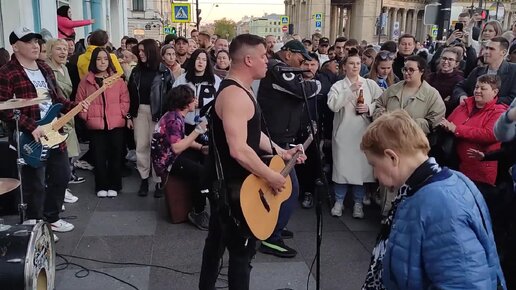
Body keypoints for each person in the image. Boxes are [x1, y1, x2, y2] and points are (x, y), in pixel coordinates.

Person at [199, 33, 305, 290]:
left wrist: (281, 151)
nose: (267, 60)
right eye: (262, 55)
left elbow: (253, 136)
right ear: (248, 60)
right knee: (240, 253)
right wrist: (271, 176)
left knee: (217, 245)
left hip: (234, 186)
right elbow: (238, 149)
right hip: (233, 190)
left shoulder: (243, 89)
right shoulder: (235, 95)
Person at [361, 110, 506, 290]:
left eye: (374, 165)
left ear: (392, 157)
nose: (375, 174)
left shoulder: (439, 203)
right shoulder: (434, 186)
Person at [0, 27, 90, 240]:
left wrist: (75, 106)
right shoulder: (7, 72)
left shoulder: (44, 68)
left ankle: (51, 217)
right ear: (15, 46)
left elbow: (56, 99)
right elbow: (4, 108)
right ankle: (35, 223)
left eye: (36, 41)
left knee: (62, 175)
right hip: (29, 135)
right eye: (28, 41)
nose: (35, 45)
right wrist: (32, 126)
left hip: (53, 132)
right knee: (36, 183)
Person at [257, 40, 320, 258]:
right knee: (289, 189)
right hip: (273, 140)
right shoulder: (277, 68)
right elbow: (304, 90)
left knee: (283, 189)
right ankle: (271, 238)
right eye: (301, 59)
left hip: (282, 139)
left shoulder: (283, 70)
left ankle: (274, 226)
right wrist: (316, 82)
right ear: (289, 54)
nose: (304, 64)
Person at [373, 55, 446, 215]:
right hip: (390, 144)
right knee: (389, 182)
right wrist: (384, 117)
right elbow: (378, 106)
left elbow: (435, 121)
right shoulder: (394, 89)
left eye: (411, 70)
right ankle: (386, 215)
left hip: (413, 148)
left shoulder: (431, 95)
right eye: (405, 69)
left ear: (421, 71)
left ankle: (404, 217)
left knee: (408, 182)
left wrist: (408, 123)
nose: (407, 73)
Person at [327, 48, 383, 218]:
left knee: (360, 171)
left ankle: (358, 203)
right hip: (344, 134)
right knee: (342, 169)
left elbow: (381, 102)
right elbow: (333, 105)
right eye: (351, 63)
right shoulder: (338, 86)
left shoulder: (370, 84)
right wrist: (349, 90)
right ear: (344, 66)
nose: (355, 66)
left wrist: (369, 108)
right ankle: (339, 201)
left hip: (362, 134)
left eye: (358, 63)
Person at [441, 74, 507, 214]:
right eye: (477, 87)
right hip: (454, 165)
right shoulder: (464, 105)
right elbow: (449, 122)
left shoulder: (499, 112)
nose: (477, 91)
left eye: (483, 88)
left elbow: (490, 134)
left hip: (478, 171)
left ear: (495, 92)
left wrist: (457, 129)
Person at [152, 85, 209, 229]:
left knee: (198, 160)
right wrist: (198, 130)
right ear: (185, 103)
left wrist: (201, 148)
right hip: (167, 162)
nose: (195, 101)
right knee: (201, 172)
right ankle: (198, 212)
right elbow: (177, 147)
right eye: (192, 98)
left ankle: (198, 200)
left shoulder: (173, 115)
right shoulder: (174, 119)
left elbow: (180, 137)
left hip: (168, 157)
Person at [77, 47, 129, 197]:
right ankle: (101, 185)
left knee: (116, 156)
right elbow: (80, 102)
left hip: (116, 124)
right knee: (99, 157)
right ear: (94, 61)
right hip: (96, 126)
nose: (102, 62)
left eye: (105, 59)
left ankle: (115, 185)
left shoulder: (117, 80)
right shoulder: (86, 81)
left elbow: (125, 99)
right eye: (99, 59)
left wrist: (121, 113)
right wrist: (86, 117)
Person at [45, 38, 82, 205]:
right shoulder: (46, 69)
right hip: (56, 114)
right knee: (59, 156)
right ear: (50, 50)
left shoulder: (65, 68)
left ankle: (63, 188)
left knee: (68, 154)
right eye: (58, 49)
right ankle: (59, 191)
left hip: (68, 111)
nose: (62, 52)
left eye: (65, 49)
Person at [127, 39, 165, 197]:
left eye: (143, 51)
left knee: (157, 147)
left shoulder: (163, 72)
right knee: (141, 146)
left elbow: (169, 95)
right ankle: (143, 179)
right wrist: (129, 115)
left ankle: (158, 181)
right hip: (140, 112)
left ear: (151, 51)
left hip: (159, 113)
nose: (140, 54)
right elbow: (129, 94)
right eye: (139, 51)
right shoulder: (136, 72)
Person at [453, 37, 516, 106]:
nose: (486, 52)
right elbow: (460, 87)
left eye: (491, 49)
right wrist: (462, 96)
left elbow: (513, 98)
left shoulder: (513, 71)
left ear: (503, 52)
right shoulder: (477, 71)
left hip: (499, 114)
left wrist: (486, 100)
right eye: (486, 48)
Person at [426, 47, 465, 116]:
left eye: (450, 59)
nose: (446, 62)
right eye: (444, 58)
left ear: (456, 64)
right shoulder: (431, 77)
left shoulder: (459, 81)